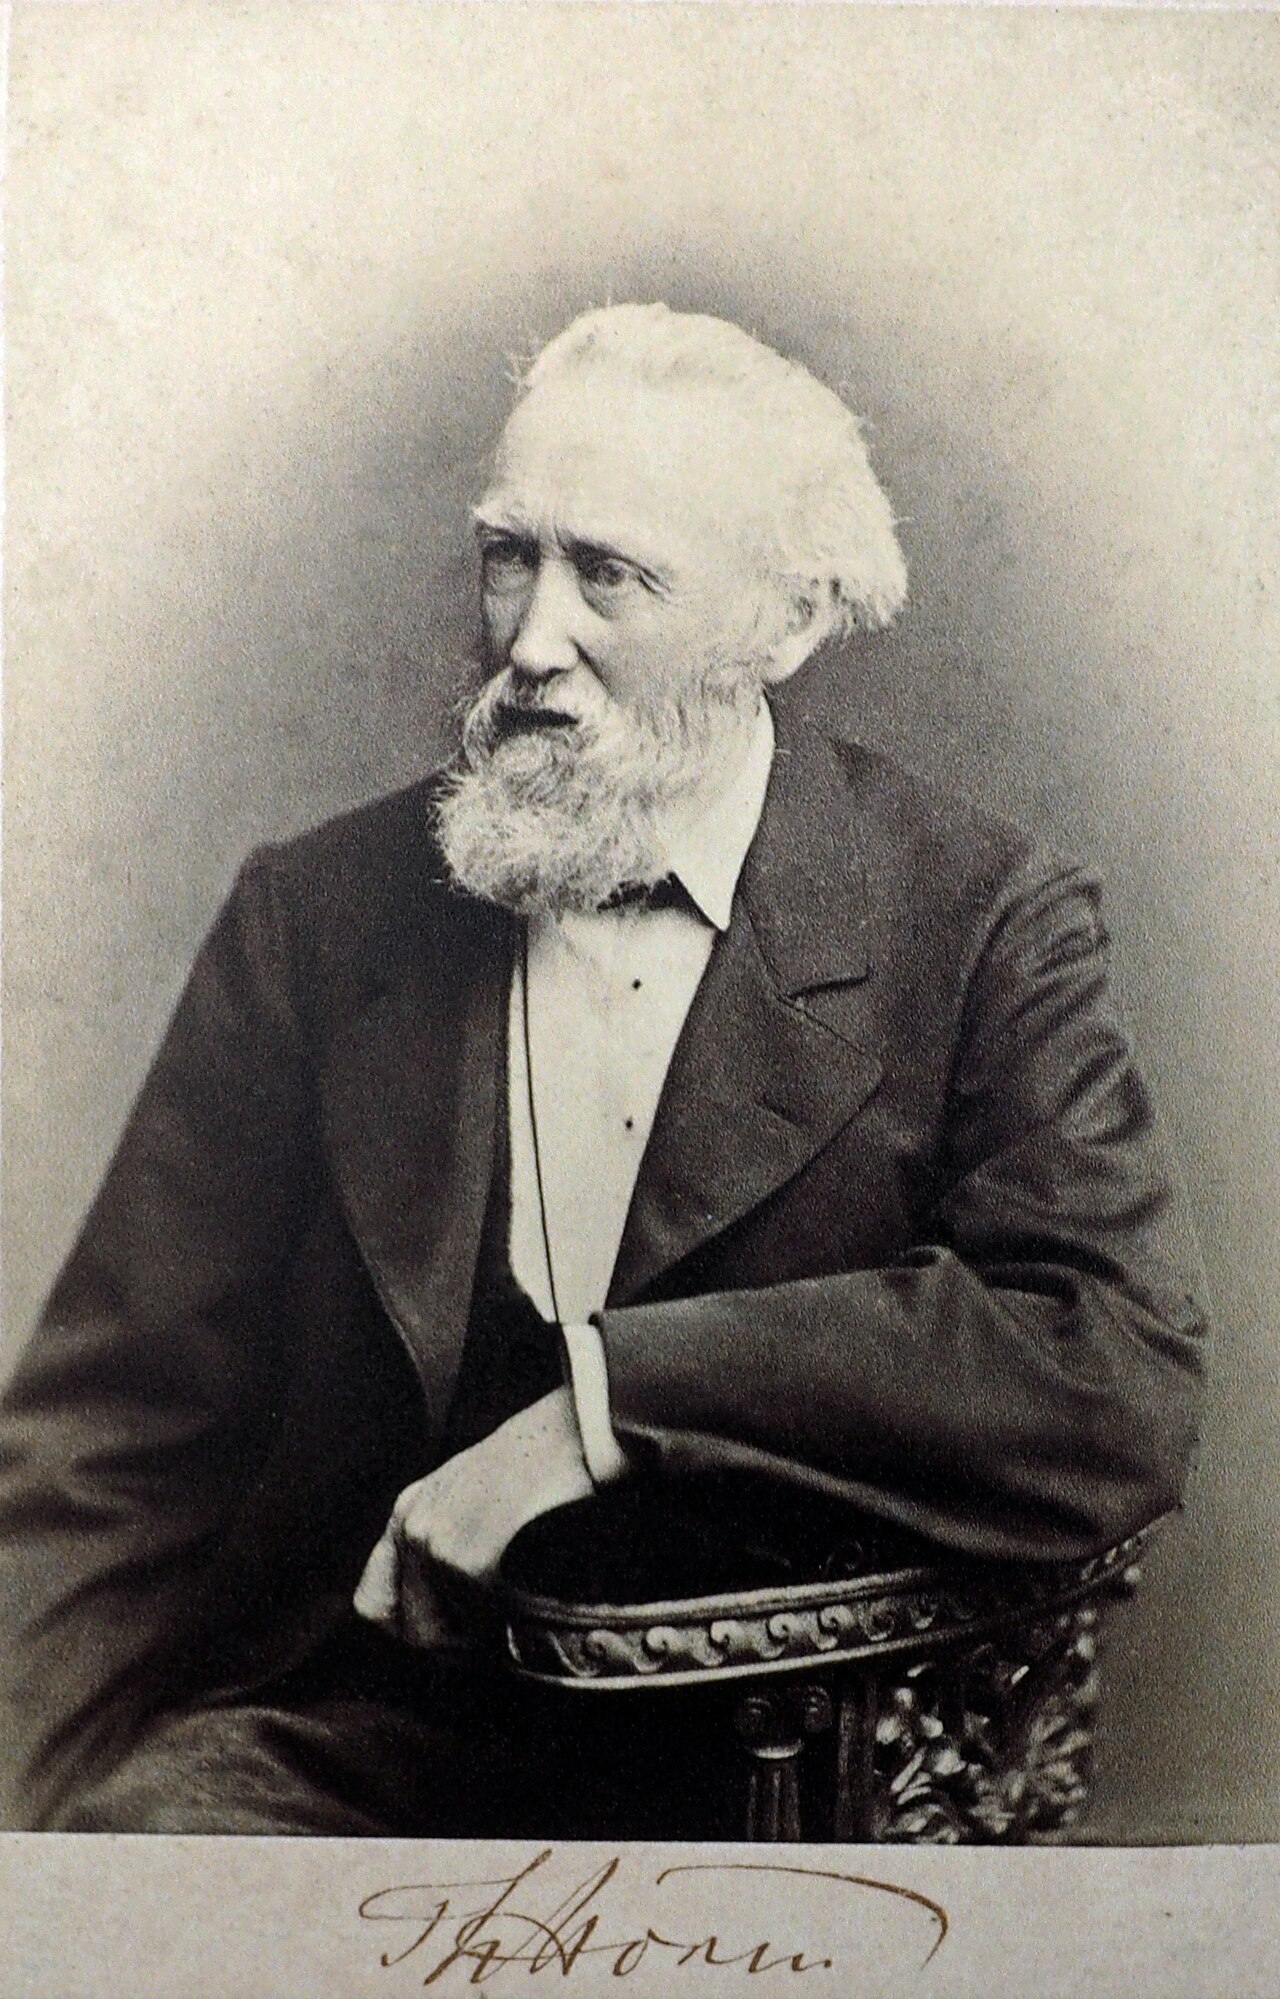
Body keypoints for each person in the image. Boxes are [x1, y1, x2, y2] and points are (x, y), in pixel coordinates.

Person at [0, 304, 1205, 1836]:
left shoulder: (976, 921)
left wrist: (604, 1405)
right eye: (510, 553)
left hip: (775, 1763)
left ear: (785, 624)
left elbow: (1109, 1360)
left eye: (611, 575)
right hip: (360, 1738)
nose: (528, 639)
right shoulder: (319, 912)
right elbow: (111, 1442)